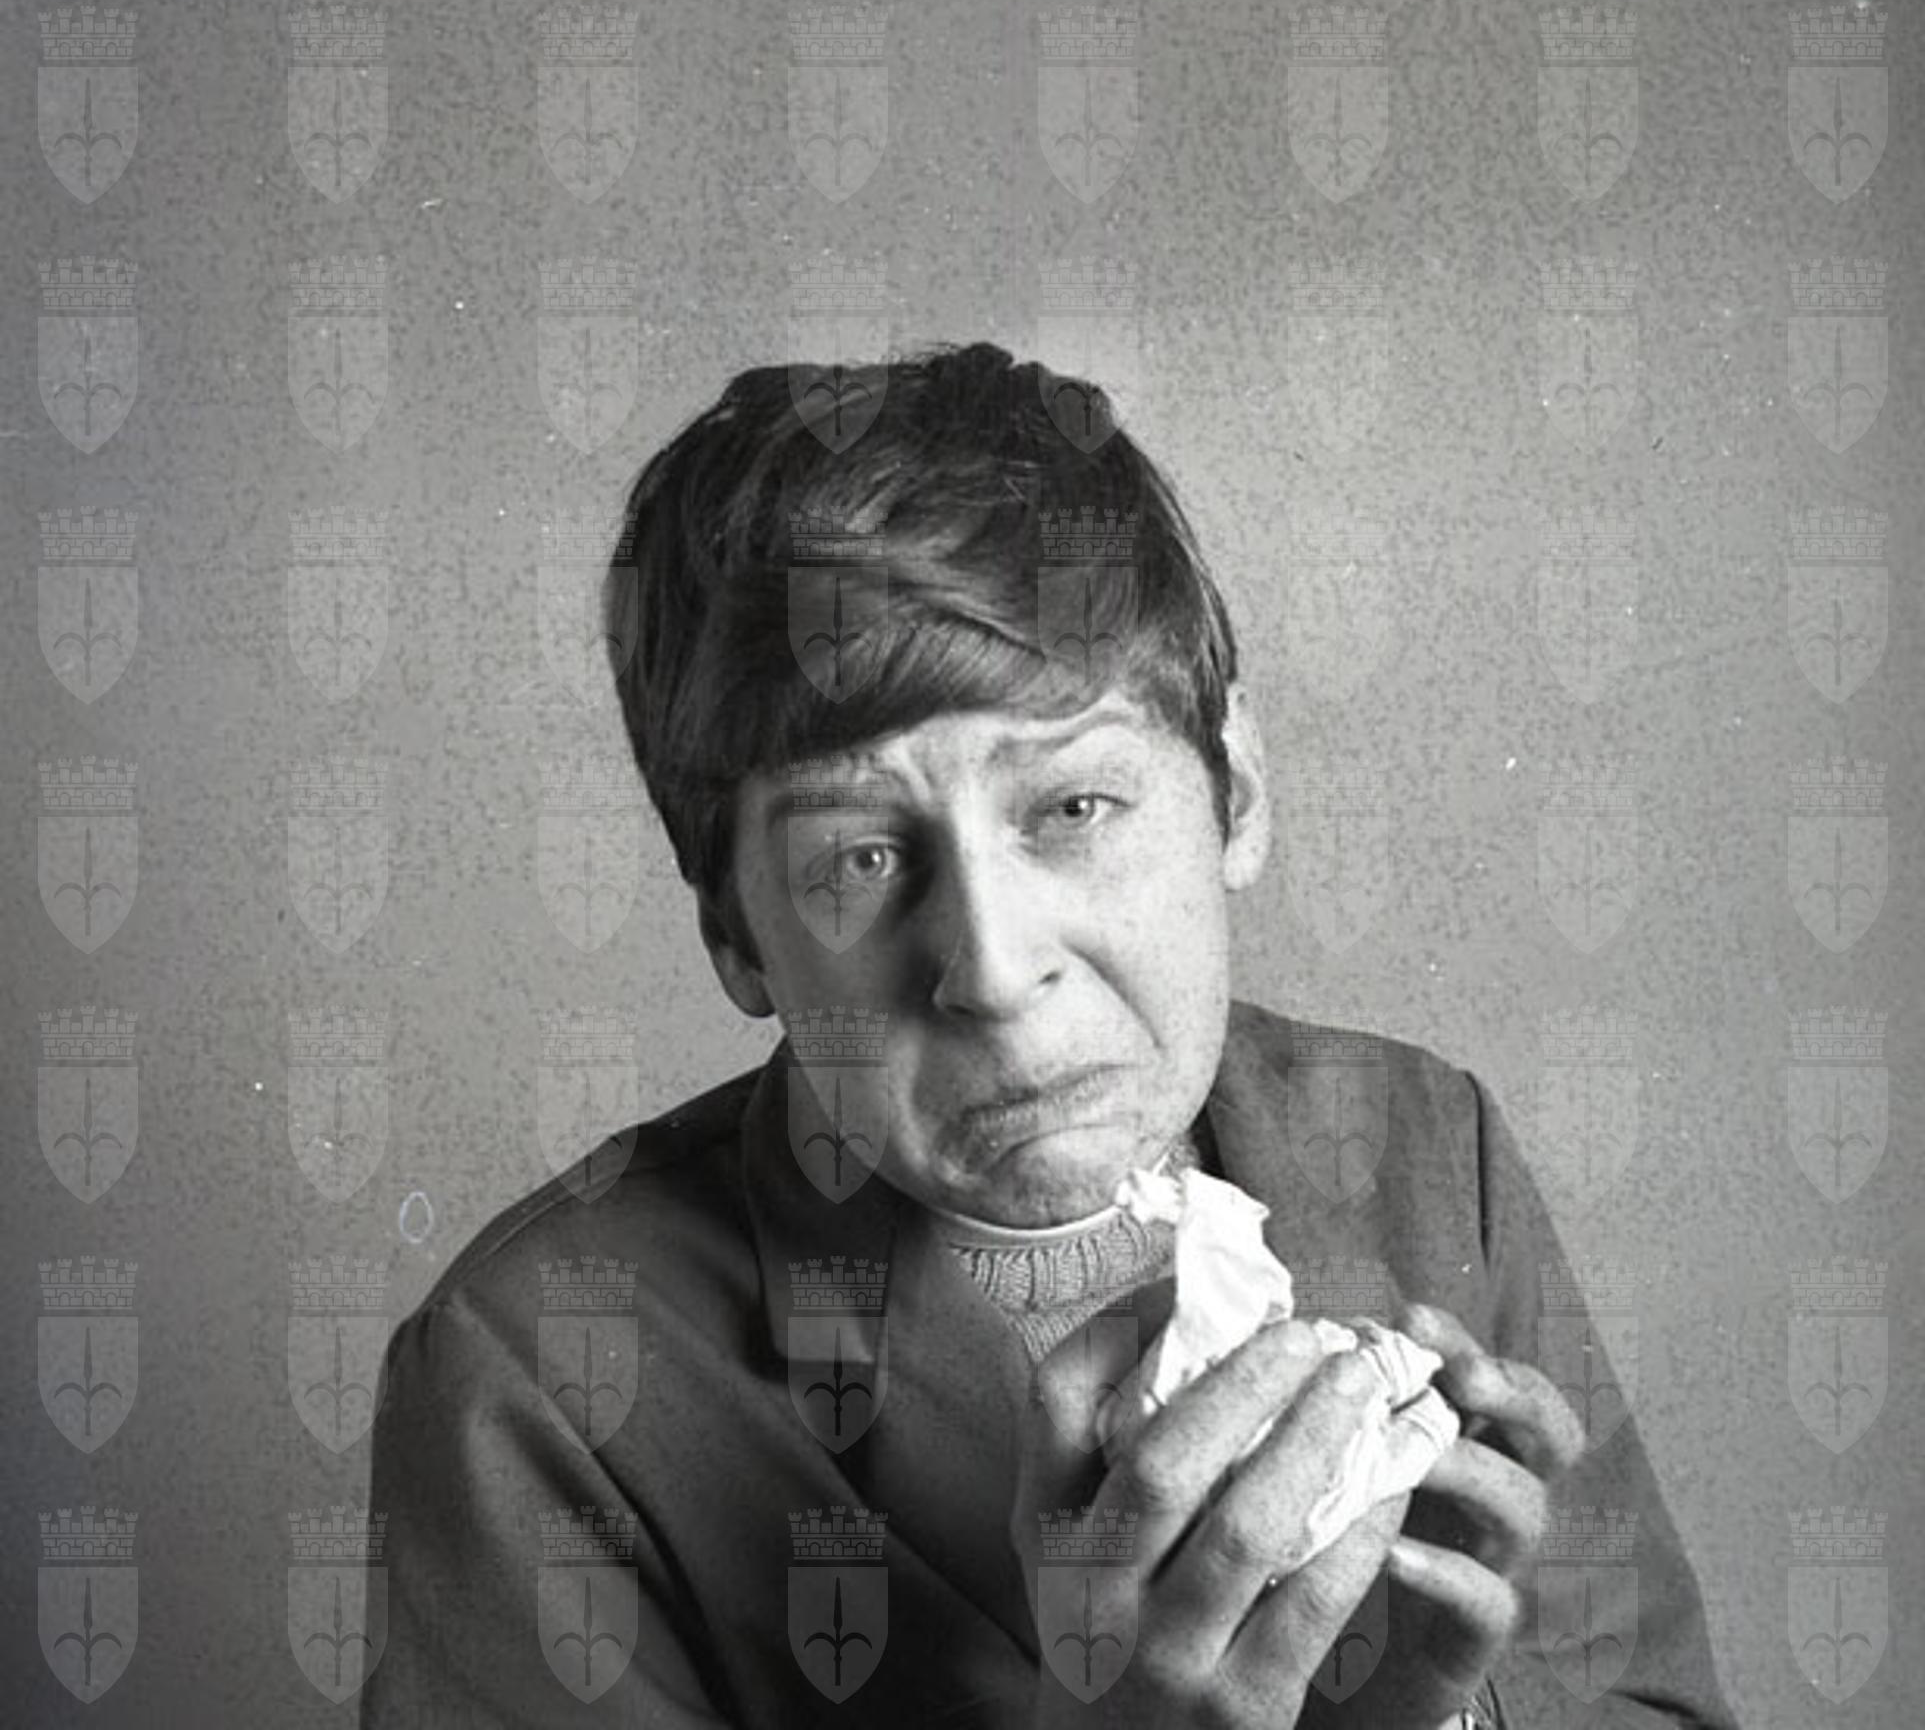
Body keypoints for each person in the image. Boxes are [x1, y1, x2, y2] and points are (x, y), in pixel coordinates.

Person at [362, 343, 1735, 1727]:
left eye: (1073, 808)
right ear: (737, 938)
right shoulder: (534, 1379)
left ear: (1234, 791)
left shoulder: (1424, 1143)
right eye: (859, 860)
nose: (994, 968)